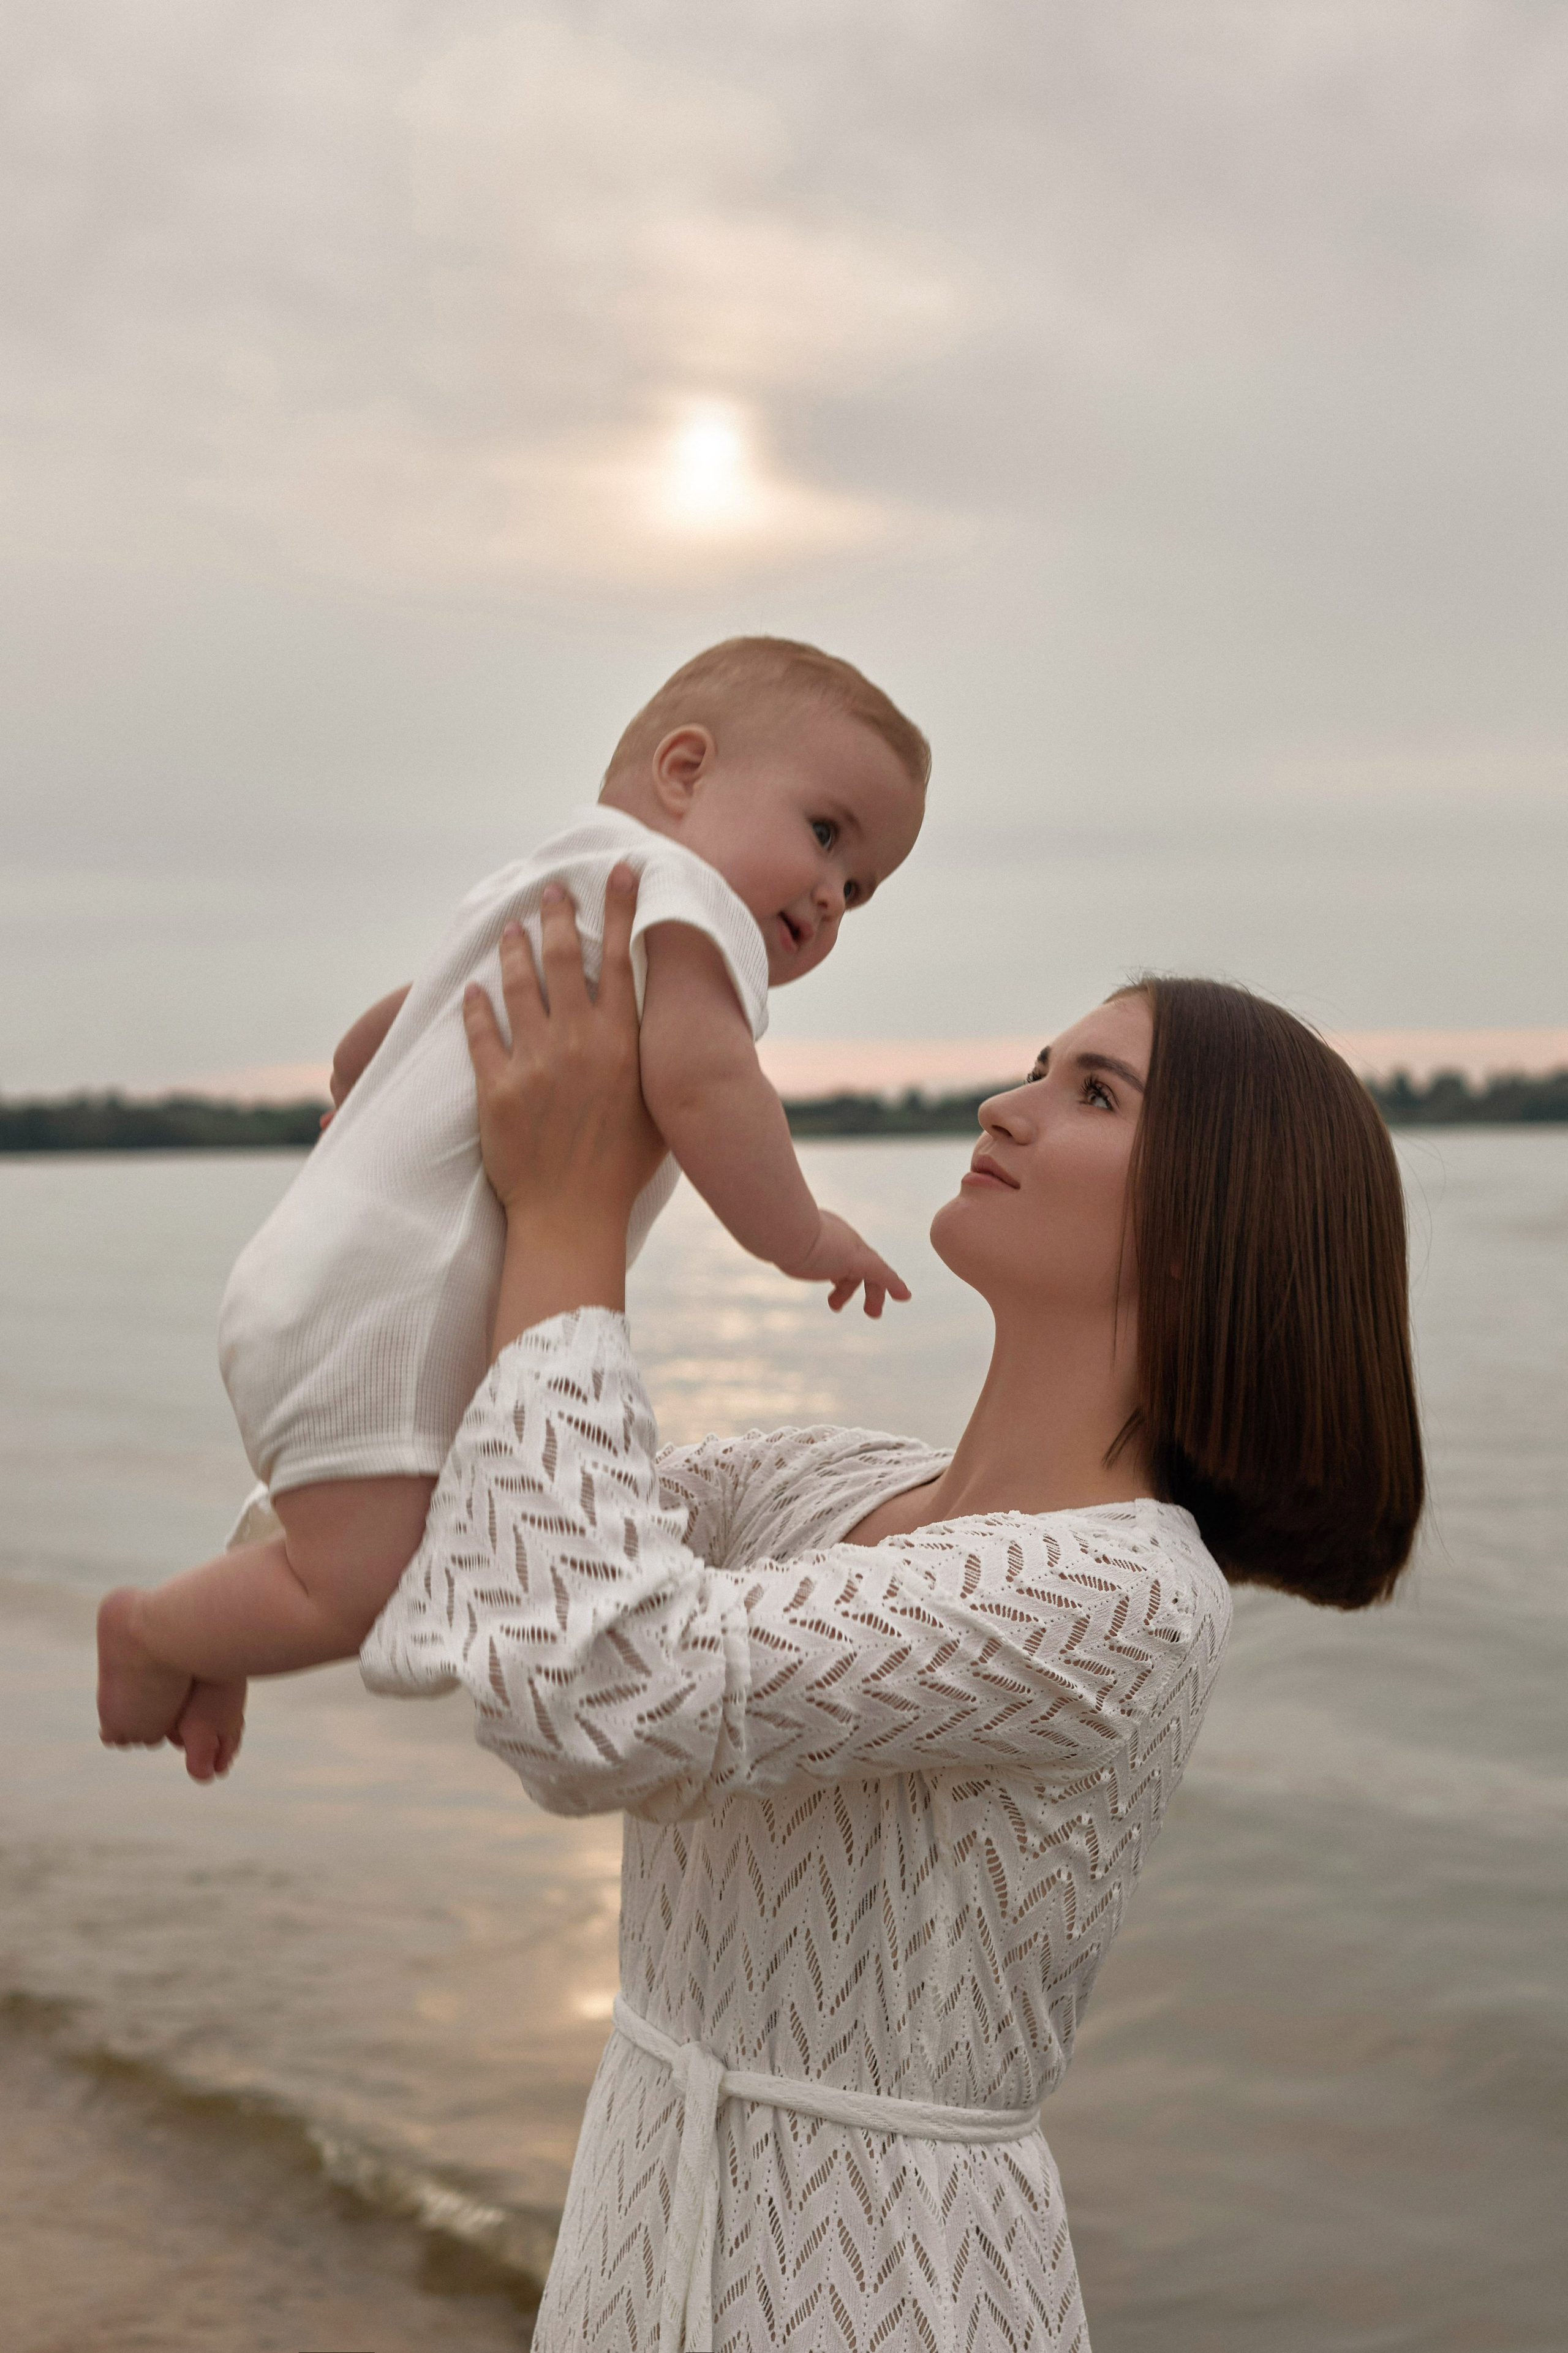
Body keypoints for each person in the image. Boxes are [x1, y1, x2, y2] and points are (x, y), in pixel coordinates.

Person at [360, 874, 1425, 2352]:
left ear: (1205, 1231)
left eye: (1093, 1093)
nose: (1004, 1104)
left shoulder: (1118, 1592)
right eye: (1037, 1068)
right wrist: (439, 1175)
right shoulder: (819, 1482)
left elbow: (605, 1702)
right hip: (633, 2236)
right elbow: (470, 1535)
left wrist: (571, 1215)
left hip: (881, 2297)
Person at [96, 637, 928, 1781]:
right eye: (828, 833)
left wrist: (374, 1105)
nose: (834, 893)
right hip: (384, 1302)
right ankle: (153, 1629)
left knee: (426, 1521)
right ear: (684, 772)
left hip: (318, 1268)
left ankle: (230, 1611)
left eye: (864, 888)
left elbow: (365, 1045)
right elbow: (707, 1083)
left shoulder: (538, 886)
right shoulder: (685, 901)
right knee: (364, 1591)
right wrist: (805, 1233)